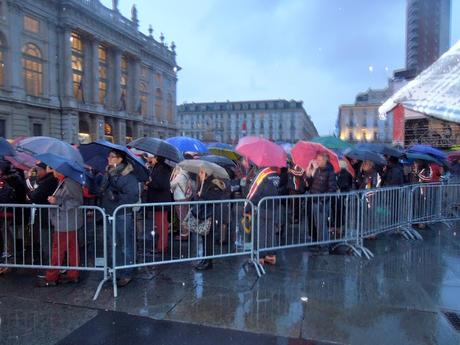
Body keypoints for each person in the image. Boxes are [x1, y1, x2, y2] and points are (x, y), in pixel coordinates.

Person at [99, 150, 139, 287]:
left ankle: (127, 272)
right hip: (109, 213)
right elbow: (101, 190)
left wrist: (117, 197)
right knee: (113, 243)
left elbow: (133, 196)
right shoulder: (107, 173)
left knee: (126, 244)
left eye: (112, 156)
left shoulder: (128, 175)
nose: (109, 158)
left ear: (120, 159)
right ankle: (116, 270)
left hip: (122, 214)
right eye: (108, 156)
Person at [37, 169, 83, 287]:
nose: (52, 171)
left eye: (55, 169)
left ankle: (52, 276)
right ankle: (73, 274)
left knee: (58, 250)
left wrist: (57, 201)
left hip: (66, 222)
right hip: (67, 221)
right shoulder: (65, 181)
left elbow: (77, 201)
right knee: (72, 248)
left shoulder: (70, 182)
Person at [192, 167, 227, 270]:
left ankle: (208, 262)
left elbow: (213, 197)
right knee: (204, 237)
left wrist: (201, 194)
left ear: (207, 173)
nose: (200, 174)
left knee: (209, 238)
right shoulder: (203, 182)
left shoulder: (214, 183)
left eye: (202, 172)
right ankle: (205, 259)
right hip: (205, 214)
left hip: (212, 214)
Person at [245, 163, 280, 265]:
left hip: (262, 207)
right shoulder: (275, 174)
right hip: (273, 207)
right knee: (270, 232)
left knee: (260, 232)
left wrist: (246, 207)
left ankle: (260, 256)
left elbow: (253, 192)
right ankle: (271, 255)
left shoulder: (263, 174)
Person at [26, 162, 59, 264]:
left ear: (47, 169)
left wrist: (29, 185)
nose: (37, 172)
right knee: (46, 240)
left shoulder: (49, 180)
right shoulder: (46, 179)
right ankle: (52, 265)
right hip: (45, 216)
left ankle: (51, 265)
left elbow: (35, 195)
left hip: (46, 216)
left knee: (47, 241)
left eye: (39, 169)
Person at [306, 153, 337, 255]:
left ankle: (324, 246)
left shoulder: (330, 172)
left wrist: (323, 199)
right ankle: (320, 244)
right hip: (314, 200)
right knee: (317, 224)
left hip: (322, 202)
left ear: (324, 160)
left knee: (321, 225)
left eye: (319, 160)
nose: (317, 161)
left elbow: (332, 188)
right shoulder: (318, 170)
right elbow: (311, 183)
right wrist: (310, 171)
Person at [145, 155, 172, 254]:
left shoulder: (162, 169)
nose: (149, 158)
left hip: (161, 200)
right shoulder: (159, 167)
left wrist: (149, 183)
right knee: (160, 224)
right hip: (159, 200)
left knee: (161, 225)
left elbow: (160, 184)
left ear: (157, 158)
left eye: (152, 157)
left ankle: (161, 246)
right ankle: (161, 245)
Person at [170, 166, 193, 240]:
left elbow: (172, 184)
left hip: (179, 198)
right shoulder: (187, 175)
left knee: (182, 217)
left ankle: (184, 235)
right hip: (186, 197)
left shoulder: (179, 176)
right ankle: (187, 232)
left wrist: (174, 176)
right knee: (186, 216)